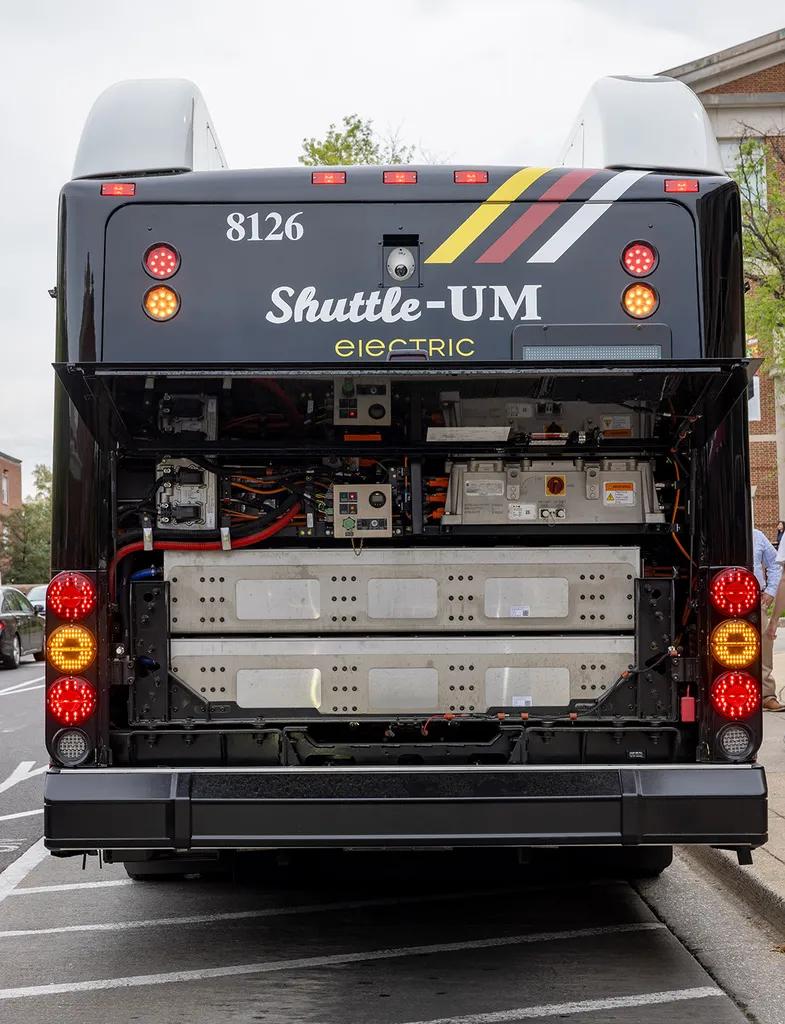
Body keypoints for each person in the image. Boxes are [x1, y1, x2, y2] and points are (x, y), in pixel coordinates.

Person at [757, 528, 785, 710]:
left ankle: (767, 695)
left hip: (753, 598)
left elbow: (775, 565)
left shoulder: (756, 536)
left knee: (765, 644)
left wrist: (770, 590)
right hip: (717, 596)